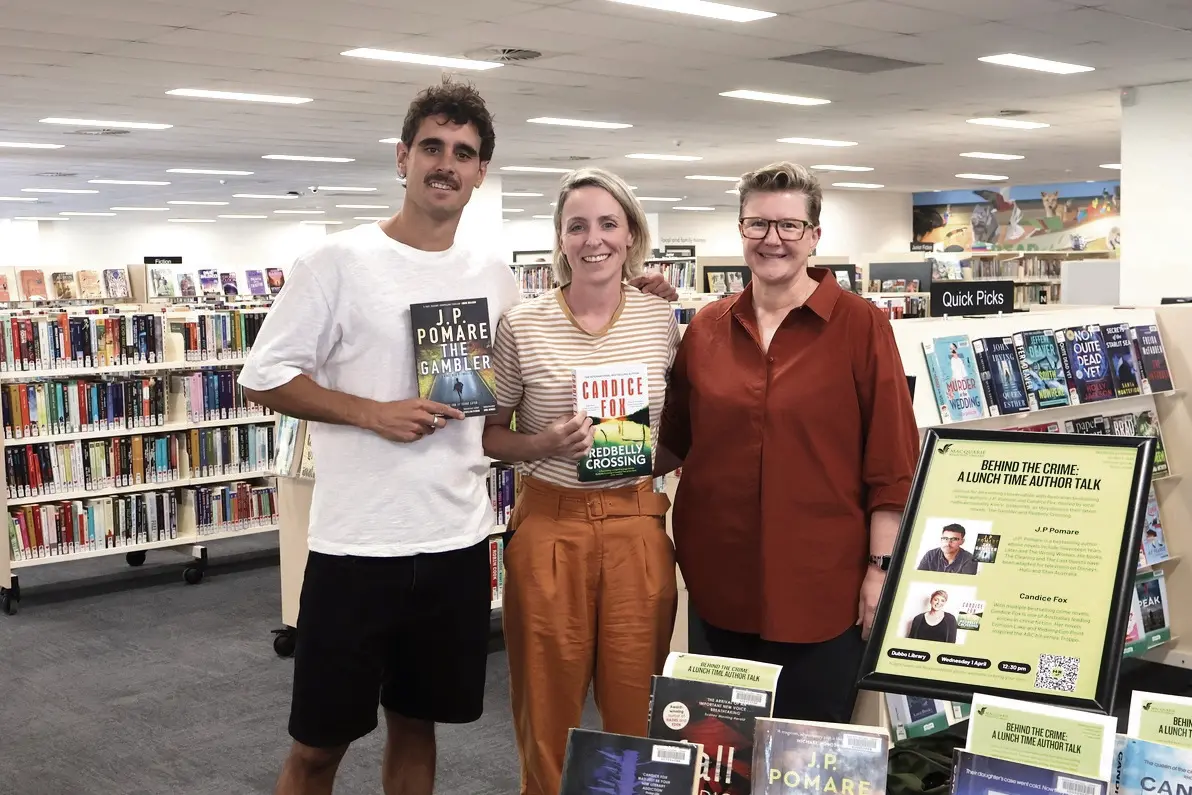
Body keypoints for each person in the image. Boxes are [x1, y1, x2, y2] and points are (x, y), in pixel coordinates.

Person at [237, 78, 677, 795]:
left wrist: (645, 291)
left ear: (480, 172)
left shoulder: (496, 280)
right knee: (318, 744)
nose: (447, 163)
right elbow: (263, 377)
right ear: (403, 157)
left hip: (456, 541)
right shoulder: (337, 262)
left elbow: (515, 391)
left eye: (464, 153)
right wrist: (372, 411)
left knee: (419, 725)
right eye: (433, 148)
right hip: (358, 545)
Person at [656, 161, 920, 724]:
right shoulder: (706, 327)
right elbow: (671, 440)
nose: (772, 239)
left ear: (814, 236)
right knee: (724, 757)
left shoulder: (861, 325)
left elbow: (892, 459)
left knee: (807, 759)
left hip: (823, 589)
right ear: (741, 230)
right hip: (720, 580)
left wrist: (880, 569)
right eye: (757, 225)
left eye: (789, 226)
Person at [483, 167, 680, 795]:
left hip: (636, 526)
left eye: (607, 224)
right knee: (547, 713)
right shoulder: (523, 324)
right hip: (550, 524)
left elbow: (682, 424)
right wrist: (542, 443)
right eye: (577, 226)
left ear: (630, 235)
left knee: (634, 714)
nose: (592, 239)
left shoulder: (660, 320)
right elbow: (488, 436)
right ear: (560, 240)